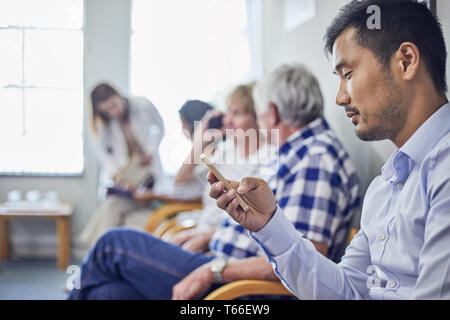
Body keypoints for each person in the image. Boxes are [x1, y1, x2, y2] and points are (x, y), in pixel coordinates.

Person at [208, 0, 450, 300]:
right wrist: (270, 224)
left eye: (347, 74)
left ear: (406, 61)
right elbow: (345, 290)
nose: (339, 97)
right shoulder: (385, 186)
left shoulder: (443, 171)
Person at [68, 70, 360, 300]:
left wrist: (213, 271)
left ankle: (73, 290)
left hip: (240, 285)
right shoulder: (300, 152)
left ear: (270, 112)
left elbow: (310, 258)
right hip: (226, 264)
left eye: (254, 112)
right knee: (105, 294)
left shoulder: (315, 157)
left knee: (113, 243)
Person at [79, 83, 165, 248]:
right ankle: (98, 251)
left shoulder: (142, 105)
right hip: (126, 180)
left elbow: (160, 127)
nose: (113, 112)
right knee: (111, 205)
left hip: (148, 175)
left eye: (114, 105)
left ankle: (95, 250)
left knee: (111, 207)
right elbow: (104, 154)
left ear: (119, 95)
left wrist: (151, 150)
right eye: (107, 111)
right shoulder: (103, 123)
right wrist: (117, 175)